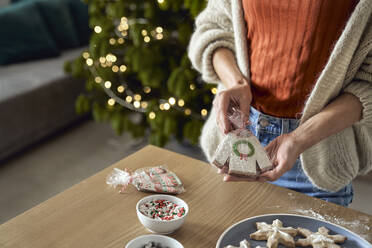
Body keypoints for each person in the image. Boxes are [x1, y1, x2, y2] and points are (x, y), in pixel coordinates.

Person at [188, 0, 372, 206]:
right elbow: (214, 28)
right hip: (236, 145)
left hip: (320, 158)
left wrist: (299, 139)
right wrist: (236, 83)